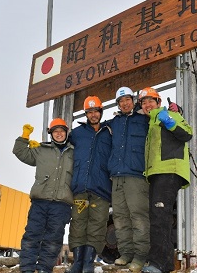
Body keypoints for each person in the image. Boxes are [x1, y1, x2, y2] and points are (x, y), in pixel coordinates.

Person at [137, 87, 192, 273]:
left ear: (158, 102)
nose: (147, 105)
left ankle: (157, 263)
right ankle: (166, 264)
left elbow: (187, 134)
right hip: (156, 173)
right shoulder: (151, 122)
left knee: (160, 217)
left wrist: (170, 122)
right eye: (144, 103)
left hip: (169, 170)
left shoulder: (169, 114)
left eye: (151, 101)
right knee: (158, 217)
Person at [13, 118, 74, 273]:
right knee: (32, 236)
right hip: (40, 202)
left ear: (66, 132)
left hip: (62, 204)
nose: (59, 134)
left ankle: (43, 269)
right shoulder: (42, 150)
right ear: (51, 133)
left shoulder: (74, 153)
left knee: (53, 240)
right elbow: (19, 152)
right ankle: (27, 269)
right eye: (55, 131)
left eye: (62, 131)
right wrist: (24, 137)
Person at [67, 96, 112, 273]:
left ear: (101, 112)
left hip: (101, 188)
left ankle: (88, 262)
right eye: (89, 112)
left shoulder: (109, 132)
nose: (93, 115)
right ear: (86, 114)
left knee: (98, 224)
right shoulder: (77, 134)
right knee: (78, 223)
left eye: (96, 111)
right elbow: (62, 147)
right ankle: (77, 261)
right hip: (80, 186)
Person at [107, 86, 150, 272]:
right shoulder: (113, 123)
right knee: (120, 217)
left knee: (138, 216)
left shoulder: (144, 120)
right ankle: (125, 253)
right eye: (121, 101)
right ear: (118, 104)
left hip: (136, 176)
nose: (125, 103)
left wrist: (175, 111)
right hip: (116, 177)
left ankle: (140, 257)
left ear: (133, 101)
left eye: (127, 100)